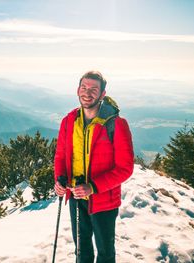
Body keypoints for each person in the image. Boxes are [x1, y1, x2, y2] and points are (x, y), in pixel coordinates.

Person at [54, 71, 134, 263]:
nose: (87, 93)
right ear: (77, 90)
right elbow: (61, 156)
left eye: (93, 89)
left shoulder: (116, 124)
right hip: (75, 197)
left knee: (105, 254)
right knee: (82, 252)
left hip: (104, 202)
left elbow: (125, 168)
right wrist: (59, 179)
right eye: (84, 87)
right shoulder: (69, 121)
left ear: (102, 94)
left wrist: (93, 187)